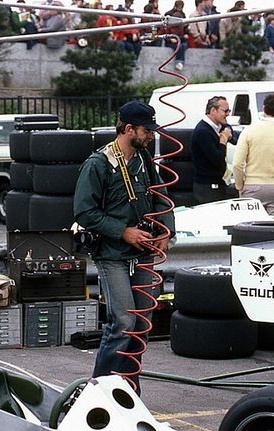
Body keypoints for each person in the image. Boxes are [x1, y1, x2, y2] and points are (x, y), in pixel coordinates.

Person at [73, 101, 173, 389]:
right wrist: (123, 232)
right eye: (146, 130)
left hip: (143, 252)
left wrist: (167, 230)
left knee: (140, 326)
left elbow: (161, 197)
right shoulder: (99, 163)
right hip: (113, 254)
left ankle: (129, 389)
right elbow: (83, 211)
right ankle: (99, 389)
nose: (151, 136)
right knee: (123, 324)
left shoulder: (144, 161)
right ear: (129, 129)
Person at [190, 95, 233, 204]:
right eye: (225, 111)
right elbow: (217, 159)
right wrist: (223, 141)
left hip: (219, 184)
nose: (228, 114)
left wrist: (228, 133)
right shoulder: (203, 131)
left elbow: (234, 137)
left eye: (229, 111)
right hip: (207, 187)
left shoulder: (220, 127)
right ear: (213, 110)